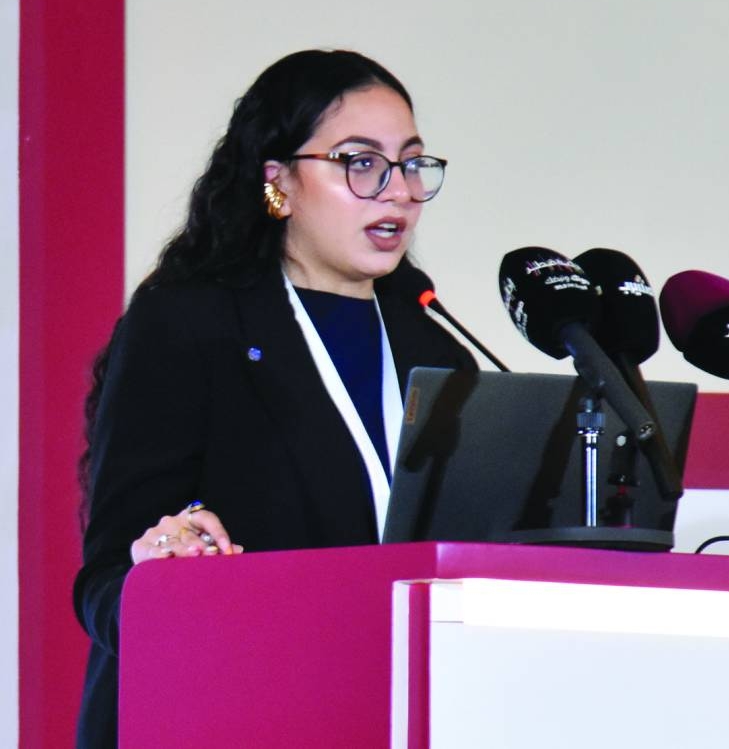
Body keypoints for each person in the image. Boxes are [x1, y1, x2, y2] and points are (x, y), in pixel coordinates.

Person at [72, 49, 477, 748]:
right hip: (224, 714)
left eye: (411, 163)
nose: (398, 190)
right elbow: (105, 577)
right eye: (360, 161)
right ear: (278, 182)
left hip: (396, 712)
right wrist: (165, 575)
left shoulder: (436, 351)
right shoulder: (190, 322)